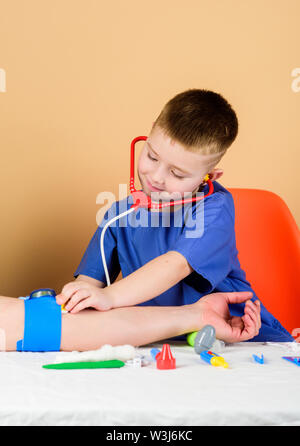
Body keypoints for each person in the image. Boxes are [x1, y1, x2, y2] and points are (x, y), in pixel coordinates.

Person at [55, 88, 293, 344]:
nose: (156, 177)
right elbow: (89, 285)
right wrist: (79, 296)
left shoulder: (214, 207)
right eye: (152, 156)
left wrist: (110, 297)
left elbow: (176, 265)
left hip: (237, 337)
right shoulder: (117, 216)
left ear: (208, 178)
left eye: (177, 174)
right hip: (161, 340)